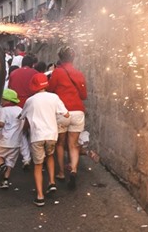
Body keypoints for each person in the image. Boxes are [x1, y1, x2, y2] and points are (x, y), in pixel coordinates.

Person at [19, 73, 69, 207]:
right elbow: (66, 113)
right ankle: (52, 182)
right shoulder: (54, 97)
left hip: (37, 136)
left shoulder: (30, 100)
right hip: (52, 134)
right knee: (50, 156)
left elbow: (22, 116)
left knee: (38, 165)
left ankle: (40, 196)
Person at [48, 46, 87, 190]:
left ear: (60, 58)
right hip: (78, 112)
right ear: (73, 57)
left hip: (62, 112)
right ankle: (74, 170)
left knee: (60, 143)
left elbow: (51, 90)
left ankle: (61, 173)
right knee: (73, 144)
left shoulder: (57, 72)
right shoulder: (79, 74)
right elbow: (83, 95)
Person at [0, 89, 24, 189]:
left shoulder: (4, 110)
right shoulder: (20, 110)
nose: (1, 101)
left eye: (2, 99)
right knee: (10, 161)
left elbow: (1, 123)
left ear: (7, 100)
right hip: (17, 141)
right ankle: (5, 181)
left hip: (5, 140)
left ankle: (2, 165)